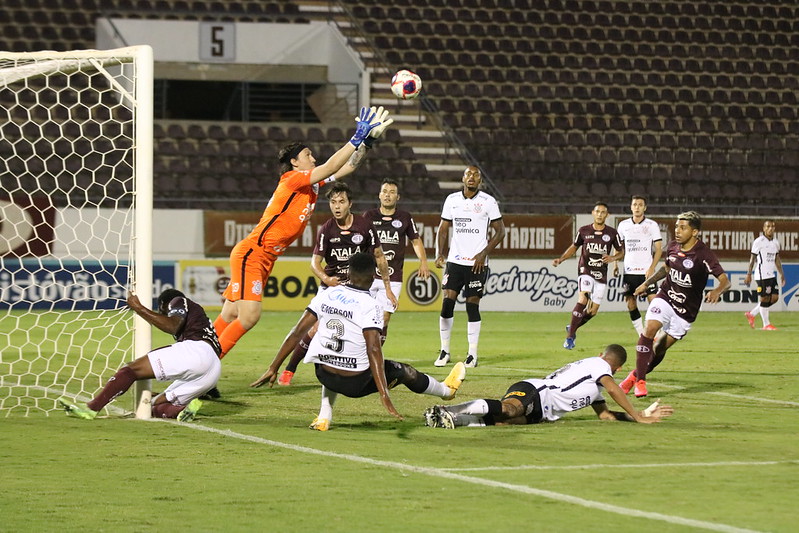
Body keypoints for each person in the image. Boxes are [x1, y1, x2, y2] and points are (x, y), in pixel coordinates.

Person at [212, 106, 391, 359]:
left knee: (229, 315)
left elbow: (346, 168)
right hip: (253, 254)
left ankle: (197, 355)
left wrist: (368, 142)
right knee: (249, 317)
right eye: (308, 155)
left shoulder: (310, 185)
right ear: (295, 162)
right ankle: (205, 365)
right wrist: (355, 137)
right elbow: (330, 166)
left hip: (263, 258)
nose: (313, 159)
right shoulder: (292, 179)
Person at [250, 252, 467, 431]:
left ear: (349, 273)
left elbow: (297, 333)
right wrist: (384, 394)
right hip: (356, 384)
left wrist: (273, 366)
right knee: (406, 371)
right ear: (373, 277)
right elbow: (374, 348)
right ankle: (446, 391)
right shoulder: (370, 304)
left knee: (331, 352)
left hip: (323, 374)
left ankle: (325, 416)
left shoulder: (327, 294)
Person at [276, 181, 396, 385]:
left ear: (350, 204)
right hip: (333, 287)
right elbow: (315, 263)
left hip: (358, 289)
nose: (337, 206)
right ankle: (289, 369)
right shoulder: (326, 229)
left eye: (341, 202)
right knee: (312, 329)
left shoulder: (365, 226)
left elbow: (379, 255)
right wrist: (326, 279)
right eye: (333, 202)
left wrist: (387, 288)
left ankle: (365, 368)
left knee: (371, 328)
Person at [58, 289, 222, 421]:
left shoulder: (178, 301)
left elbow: (173, 326)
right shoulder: (202, 322)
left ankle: (91, 408)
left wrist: (138, 307)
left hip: (197, 352)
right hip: (212, 371)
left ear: (164, 304)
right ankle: (180, 411)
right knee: (149, 408)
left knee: (130, 370)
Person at [424, 344, 674, 428]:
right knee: (508, 410)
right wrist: (636, 415)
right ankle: (451, 411)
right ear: (616, 368)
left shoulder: (594, 381)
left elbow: (606, 415)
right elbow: (613, 388)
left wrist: (639, 416)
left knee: (502, 422)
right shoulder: (600, 367)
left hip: (544, 412)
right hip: (538, 390)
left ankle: (448, 421)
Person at [619, 211, 731, 398]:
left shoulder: (703, 254)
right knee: (650, 330)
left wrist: (717, 291)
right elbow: (666, 269)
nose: (677, 231)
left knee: (660, 348)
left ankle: (634, 375)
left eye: (683, 227)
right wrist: (646, 284)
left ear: (695, 232)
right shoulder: (672, 247)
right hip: (665, 297)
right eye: (677, 226)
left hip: (686, 311)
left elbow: (725, 280)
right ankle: (640, 382)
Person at [433, 165, 505, 368]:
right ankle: (444, 351)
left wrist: (483, 254)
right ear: (463, 178)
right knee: (447, 303)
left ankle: (472, 354)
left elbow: (501, 232)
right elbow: (443, 228)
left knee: (472, 306)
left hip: (476, 264)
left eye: (475, 175)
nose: (471, 177)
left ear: (480, 180)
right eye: (468, 174)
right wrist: (440, 253)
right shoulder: (452, 200)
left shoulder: (488, 202)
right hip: (455, 262)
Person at [362, 178, 430, 345]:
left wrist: (423, 262)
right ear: (379, 195)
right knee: (365, 317)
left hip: (394, 276)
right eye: (385, 192)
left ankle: (375, 353)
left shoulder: (405, 217)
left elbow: (415, 240)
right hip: (368, 276)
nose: (388, 195)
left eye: (392, 192)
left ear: (397, 197)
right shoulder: (369, 216)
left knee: (384, 318)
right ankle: (362, 354)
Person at [552, 202, 623, 350]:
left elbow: (621, 251)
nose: (600, 214)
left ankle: (571, 326)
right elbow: (574, 246)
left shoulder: (612, 233)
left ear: (607, 215)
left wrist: (613, 258)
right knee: (583, 297)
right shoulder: (584, 231)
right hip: (585, 270)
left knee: (592, 311)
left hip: (601, 274)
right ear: (593, 213)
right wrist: (561, 259)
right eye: (597, 211)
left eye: (603, 212)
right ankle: (570, 337)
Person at [614, 195, 663, 336]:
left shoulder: (652, 225)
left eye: (640, 205)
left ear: (645, 208)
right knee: (630, 303)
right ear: (631, 207)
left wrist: (652, 267)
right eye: (635, 204)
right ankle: (641, 333)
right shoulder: (623, 225)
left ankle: (658, 334)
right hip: (629, 271)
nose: (637, 207)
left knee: (654, 304)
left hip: (646, 272)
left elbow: (659, 248)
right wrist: (615, 264)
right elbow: (618, 247)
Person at [744, 219, 785, 330]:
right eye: (768, 226)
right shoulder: (759, 241)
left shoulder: (776, 242)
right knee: (765, 298)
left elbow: (776, 259)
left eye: (772, 226)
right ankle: (766, 324)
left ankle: (752, 313)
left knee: (775, 298)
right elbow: (752, 258)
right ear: (764, 228)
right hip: (762, 274)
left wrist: (781, 273)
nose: (770, 228)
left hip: (771, 275)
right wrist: (749, 273)